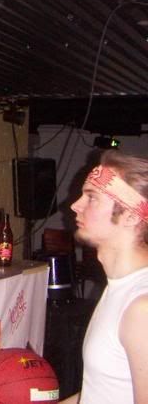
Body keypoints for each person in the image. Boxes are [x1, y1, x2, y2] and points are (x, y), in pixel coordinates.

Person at [61, 150, 148, 404]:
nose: (75, 205)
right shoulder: (120, 288)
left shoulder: (141, 308)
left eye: (92, 197)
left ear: (131, 216)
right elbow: (100, 392)